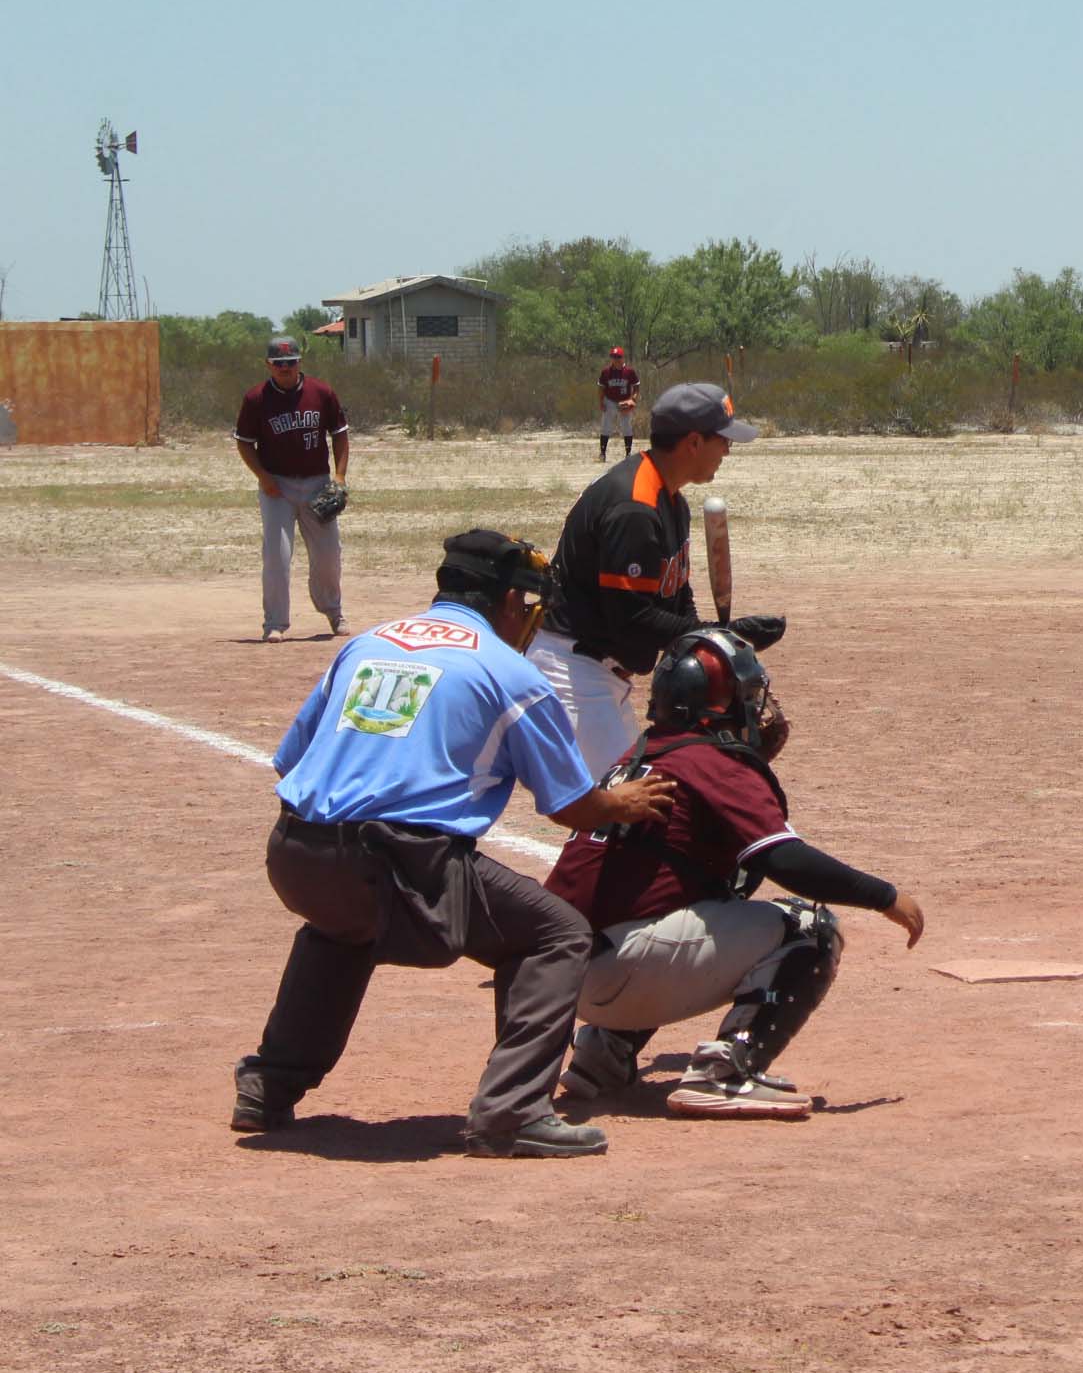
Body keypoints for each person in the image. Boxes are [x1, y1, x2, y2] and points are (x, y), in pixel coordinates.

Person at [230, 530, 679, 1158]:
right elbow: (568, 805)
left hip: (294, 851)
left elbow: (291, 761)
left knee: (341, 930)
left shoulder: (368, 644)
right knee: (556, 933)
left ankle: (266, 1089)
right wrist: (620, 802)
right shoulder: (511, 673)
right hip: (399, 860)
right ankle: (513, 1112)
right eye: (527, 605)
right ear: (510, 602)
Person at [547, 627, 924, 1119]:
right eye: (747, 696)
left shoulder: (642, 753)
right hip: (621, 970)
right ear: (720, 706)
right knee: (810, 929)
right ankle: (728, 1073)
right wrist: (884, 896)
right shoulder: (712, 761)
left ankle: (603, 1055)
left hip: (562, 975)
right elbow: (786, 860)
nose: (758, 708)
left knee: (689, 902)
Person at [529, 382, 786, 780]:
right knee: (625, 807)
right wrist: (722, 633)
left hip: (600, 673)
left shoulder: (672, 502)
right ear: (694, 442)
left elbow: (676, 600)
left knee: (636, 799)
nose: (729, 450)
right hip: (572, 670)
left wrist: (714, 642)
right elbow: (631, 620)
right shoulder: (635, 508)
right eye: (723, 440)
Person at [234, 332, 351, 642]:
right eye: (278, 363)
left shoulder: (321, 392)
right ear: (268, 365)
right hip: (278, 487)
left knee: (328, 555)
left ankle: (333, 611)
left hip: (317, 483)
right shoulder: (256, 398)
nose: (285, 368)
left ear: (300, 362)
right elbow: (244, 443)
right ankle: (275, 623)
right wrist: (263, 477)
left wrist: (339, 477)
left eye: (290, 362)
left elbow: (339, 435)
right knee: (276, 556)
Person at [596, 345, 642, 462]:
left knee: (626, 427)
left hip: (624, 402)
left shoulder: (629, 372)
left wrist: (633, 400)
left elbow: (636, 387)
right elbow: (601, 388)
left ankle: (628, 454)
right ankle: (602, 453)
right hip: (610, 401)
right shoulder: (606, 372)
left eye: (618, 357)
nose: (616, 359)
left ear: (623, 358)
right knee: (606, 427)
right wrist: (601, 402)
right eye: (614, 356)